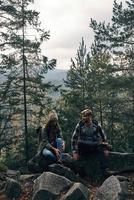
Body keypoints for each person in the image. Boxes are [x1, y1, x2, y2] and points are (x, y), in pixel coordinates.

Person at [71, 108, 111, 176]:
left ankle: (105, 170)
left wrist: (105, 149)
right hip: (84, 147)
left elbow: (103, 136)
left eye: (85, 116)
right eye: (82, 116)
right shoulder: (80, 125)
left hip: (94, 147)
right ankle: (81, 171)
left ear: (90, 117)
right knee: (80, 143)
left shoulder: (96, 124)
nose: (83, 118)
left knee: (100, 148)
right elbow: (74, 138)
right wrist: (74, 152)